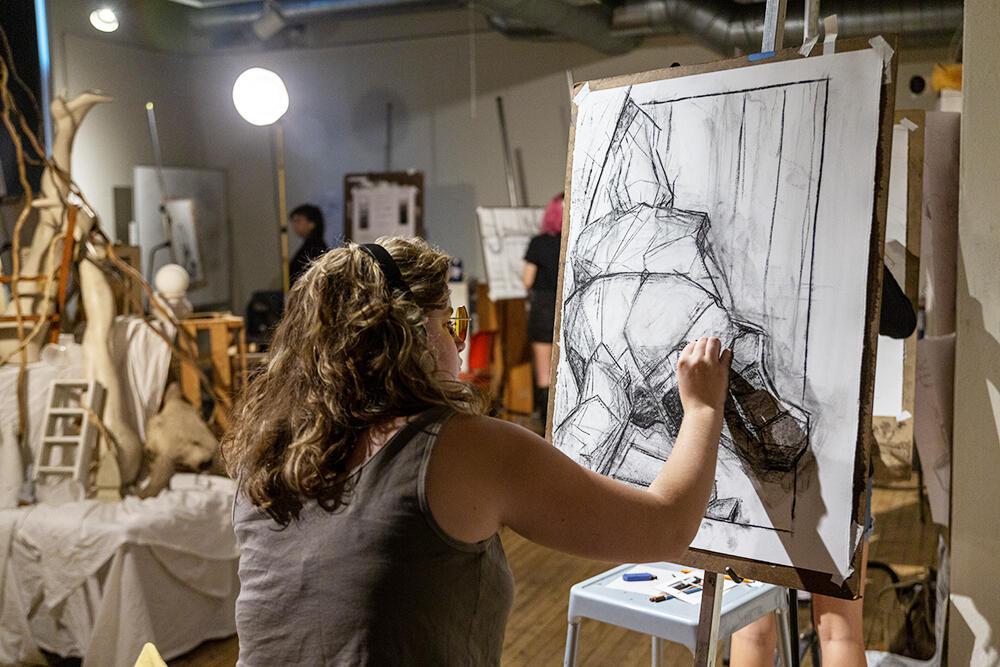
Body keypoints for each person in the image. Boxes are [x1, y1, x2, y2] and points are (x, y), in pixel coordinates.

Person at [223, 236, 732, 666]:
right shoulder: (458, 446)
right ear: (415, 334)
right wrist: (703, 409)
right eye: (451, 323)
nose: (460, 345)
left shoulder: (267, 454)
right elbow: (665, 527)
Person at [729, 265, 917, 667]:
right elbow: (901, 320)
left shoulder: (740, 238)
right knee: (838, 628)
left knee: (753, 625)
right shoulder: (851, 237)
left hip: (754, 457)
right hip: (837, 451)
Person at [522, 193, 564, 428]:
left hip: (543, 309)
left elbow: (527, 280)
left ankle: (547, 428)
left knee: (543, 373)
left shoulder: (539, 243)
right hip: (569, 308)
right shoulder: (576, 241)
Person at [288, 203, 328, 285]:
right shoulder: (310, 245)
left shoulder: (315, 247)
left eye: (298, 221)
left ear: (312, 224)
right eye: (293, 221)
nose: (294, 225)